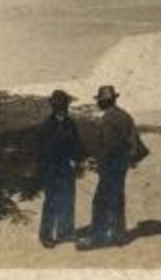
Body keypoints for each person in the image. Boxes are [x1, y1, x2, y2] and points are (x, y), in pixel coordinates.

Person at [80, 84, 141, 249]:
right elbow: (134, 142)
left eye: (100, 100)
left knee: (100, 201)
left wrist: (97, 161)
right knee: (117, 198)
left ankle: (98, 237)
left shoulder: (108, 118)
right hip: (122, 164)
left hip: (110, 165)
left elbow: (108, 145)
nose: (99, 103)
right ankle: (119, 235)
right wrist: (127, 159)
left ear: (106, 101)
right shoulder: (126, 116)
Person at [35, 89, 85, 247]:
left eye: (65, 106)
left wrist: (75, 159)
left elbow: (78, 144)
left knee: (68, 200)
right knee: (51, 203)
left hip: (68, 169)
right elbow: (44, 152)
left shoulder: (71, 123)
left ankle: (66, 231)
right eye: (59, 107)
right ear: (54, 107)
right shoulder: (46, 126)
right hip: (52, 171)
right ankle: (46, 235)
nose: (63, 109)